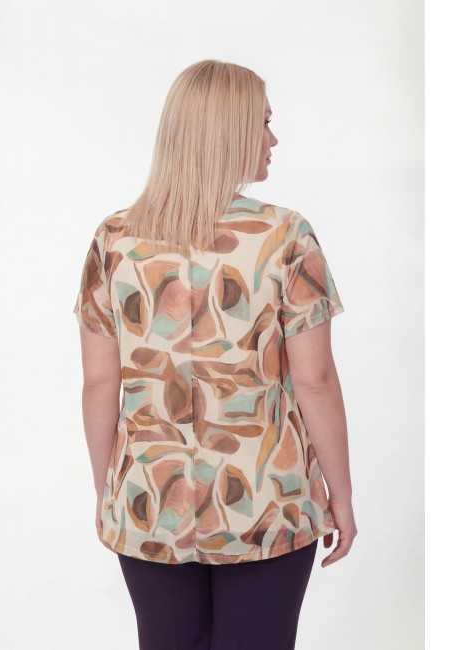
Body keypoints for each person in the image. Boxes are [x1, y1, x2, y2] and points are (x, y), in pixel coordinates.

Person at [73, 59, 357, 650]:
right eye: (264, 123)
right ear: (230, 131)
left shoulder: (114, 240)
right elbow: (316, 380)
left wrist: (111, 494)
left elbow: (100, 383)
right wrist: (342, 496)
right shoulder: (285, 237)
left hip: (150, 502)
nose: (273, 139)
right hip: (268, 504)